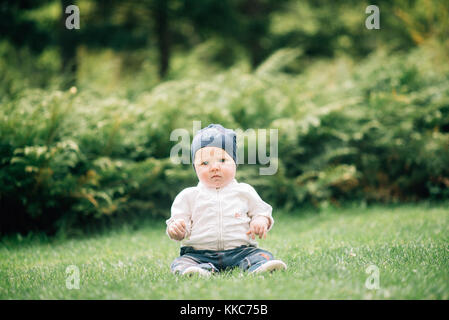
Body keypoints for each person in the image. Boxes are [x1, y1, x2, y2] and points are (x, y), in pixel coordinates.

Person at [166, 124, 287, 276]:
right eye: (204, 163)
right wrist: (176, 229)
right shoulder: (188, 196)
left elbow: (262, 212)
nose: (214, 167)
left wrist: (260, 221)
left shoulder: (244, 191)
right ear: (195, 167)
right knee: (181, 262)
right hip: (199, 253)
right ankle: (199, 270)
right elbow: (178, 223)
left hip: (240, 251)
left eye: (222, 160)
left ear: (235, 162)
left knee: (261, 255)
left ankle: (258, 266)